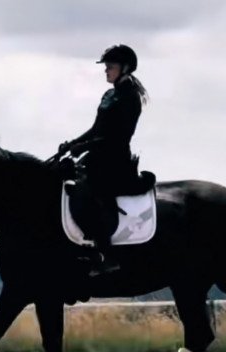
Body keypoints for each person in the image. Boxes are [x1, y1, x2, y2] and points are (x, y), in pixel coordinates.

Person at [58, 44, 148, 273]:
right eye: (106, 66)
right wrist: (72, 144)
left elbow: (118, 137)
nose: (106, 71)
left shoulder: (130, 97)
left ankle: (106, 253)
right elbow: (96, 129)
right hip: (97, 157)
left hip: (115, 160)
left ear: (125, 68)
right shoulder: (110, 94)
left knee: (89, 193)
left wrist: (83, 147)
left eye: (110, 67)